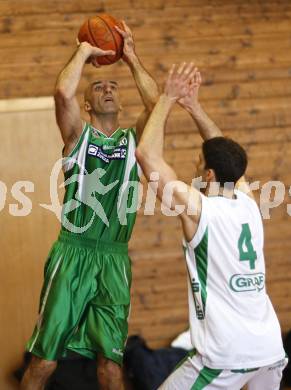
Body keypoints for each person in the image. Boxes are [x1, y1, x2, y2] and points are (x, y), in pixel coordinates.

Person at [21, 22, 159, 390]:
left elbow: (156, 103)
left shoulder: (134, 141)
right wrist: (85, 49)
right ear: (88, 103)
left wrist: (130, 56)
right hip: (73, 253)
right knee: (43, 361)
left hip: (114, 258)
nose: (108, 88)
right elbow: (62, 93)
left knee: (111, 366)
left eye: (113, 86)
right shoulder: (78, 136)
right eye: (99, 86)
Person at [136, 63, 287, 390]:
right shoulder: (248, 202)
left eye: (199, 165)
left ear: (207, 176)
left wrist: (169, 97)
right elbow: (224, 149)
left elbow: (146, 155)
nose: (196, 167)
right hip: (270, 348)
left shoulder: (198, 209)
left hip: (228, 353)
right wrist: (193, 106)